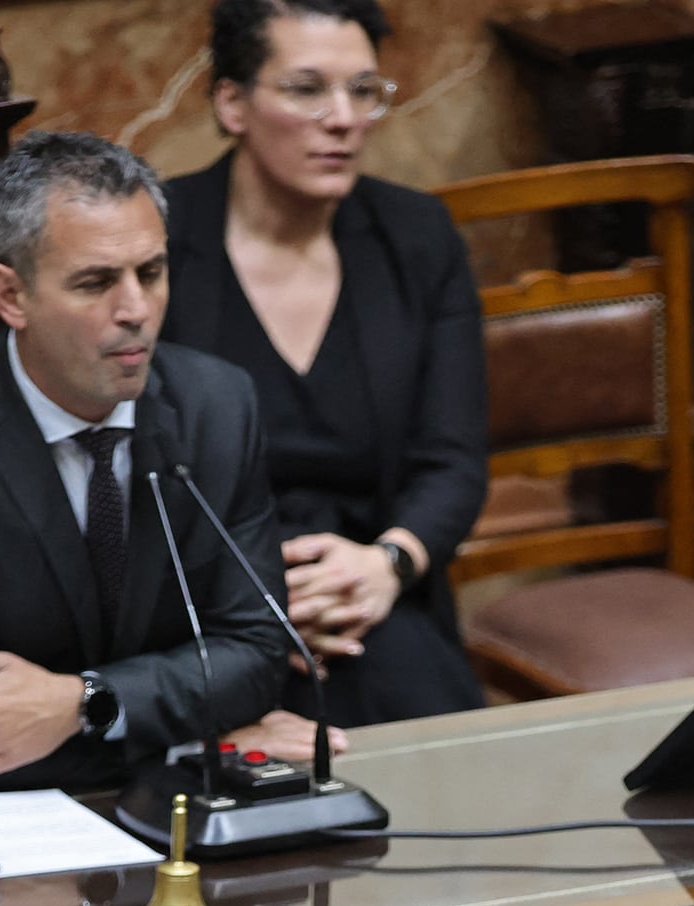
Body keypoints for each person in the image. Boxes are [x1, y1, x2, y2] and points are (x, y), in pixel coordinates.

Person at [0, 132, 339, 788]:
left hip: (182, 813)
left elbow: (256, 654)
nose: (134, 311)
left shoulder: (217, 409)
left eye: (150, 273)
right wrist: (191, 742)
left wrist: (88, 703)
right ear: (11, 296)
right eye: (95, 282)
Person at [163, 0, 490, 725]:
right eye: (307, 89)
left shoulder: (416, 236)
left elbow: (455, 457)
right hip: (202, 609)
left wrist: (388, 563)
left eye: (364, 90)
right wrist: (256, 601)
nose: (343, 118)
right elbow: (124, 467)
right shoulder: (157, 243)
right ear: (232, 103)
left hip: (370, 597)